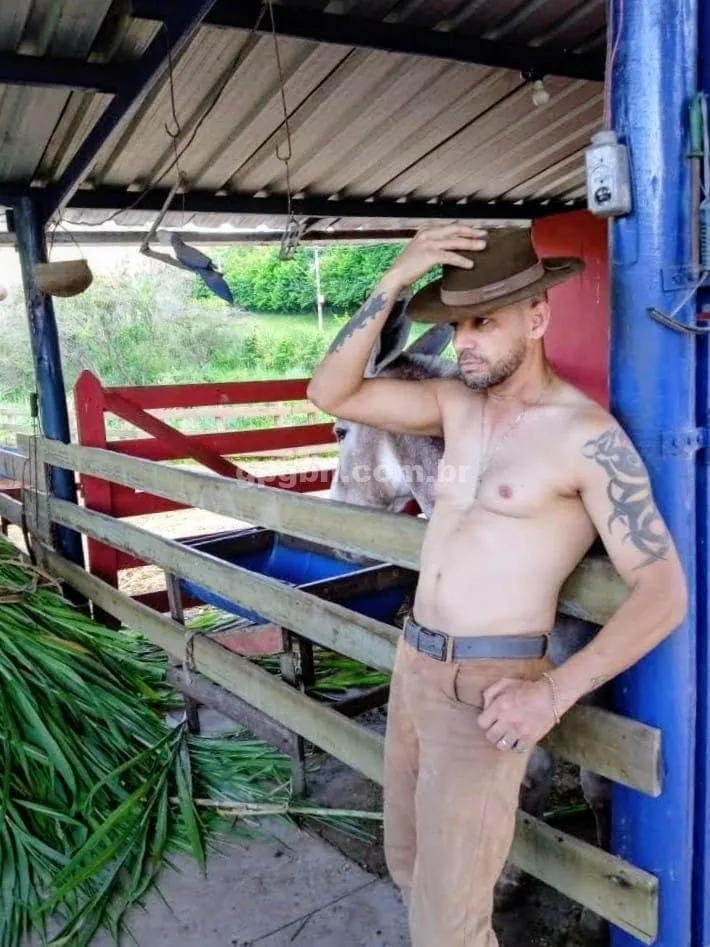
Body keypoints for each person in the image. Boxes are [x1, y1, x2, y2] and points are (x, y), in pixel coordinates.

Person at [306, 224, 688, 947]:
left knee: (449, 927)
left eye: (484, 322)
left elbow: (664, 592)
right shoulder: (458, 406)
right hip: (415, 666)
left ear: (537, 318)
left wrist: (553, 693)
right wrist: (396, 276)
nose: (465, 343)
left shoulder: (585, 437)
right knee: (408, 867)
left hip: (487, 689)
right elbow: (330, 392)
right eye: (457, 326)